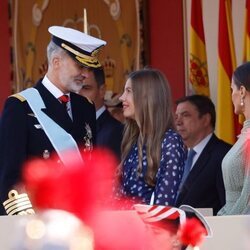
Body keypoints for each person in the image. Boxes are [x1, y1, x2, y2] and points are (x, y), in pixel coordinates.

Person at [0, 25, 106, 215]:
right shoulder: (20, 107)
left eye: (87, 67)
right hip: (41, 223)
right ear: (56, 62)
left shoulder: (85, 106)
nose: (86, 74)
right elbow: (11, 178)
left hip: (79, 220)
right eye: (80, 66)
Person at [115, 68, 186, 207]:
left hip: (148, 228)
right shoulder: (134, 141)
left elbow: (163, 208)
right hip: (124, 225)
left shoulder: (170, 141)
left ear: (147, 97)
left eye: (128, 91)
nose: (121, 97)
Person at [175, 95, 231, 215]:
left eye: (185, 115)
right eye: (176, 116)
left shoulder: (224, 155)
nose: (178, 122)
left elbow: (229, 207)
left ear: (205, 119)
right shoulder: (179, 156)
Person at [218, 62, 250, 215]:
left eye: (232, 89)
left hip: (240, 230)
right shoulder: (246, 134)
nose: (231, 95)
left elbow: (248, 197)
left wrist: (223, 222)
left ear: (242, 91)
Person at [79, 67, 123, 160]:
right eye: (75, 87)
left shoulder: (116, 132)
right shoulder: (69, 127)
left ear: (102, 90)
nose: (78, 93)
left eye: (86, 88)